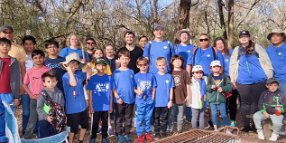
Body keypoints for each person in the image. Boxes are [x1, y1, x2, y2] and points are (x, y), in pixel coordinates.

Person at [229, 30, 273, 132]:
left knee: (255, 104)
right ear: (239, 39)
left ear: (249, 37)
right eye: (241, 36)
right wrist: (233, 79)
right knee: (244, 104)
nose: (243, 38)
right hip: (243, 82)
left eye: (246, 36)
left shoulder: (257, 47)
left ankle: (254, 126)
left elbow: (267, 61)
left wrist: (269, 77)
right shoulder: (237, 49)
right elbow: (232, 64)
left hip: (259, 80)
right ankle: (246, 126)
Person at [61, 53, 89, 143]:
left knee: (84, 125)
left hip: (82, 105)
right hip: (72, 108)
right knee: (73, 128)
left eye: (76, 64)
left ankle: (80, 140)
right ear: (67, 65)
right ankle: (70, 141)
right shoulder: (65, 76)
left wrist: (87, 65)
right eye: (71, 64)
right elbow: (73, 83)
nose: (74, 66)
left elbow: (89, 71)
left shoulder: (80, 74)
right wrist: (69, 70)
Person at [22, 49, 50, 139]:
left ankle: (44, 136)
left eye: (40, 57)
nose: (38, 60)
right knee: (32, 119)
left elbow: (52, 84)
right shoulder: (29, 71)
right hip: (34, 99)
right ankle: (26, 137)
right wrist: (30, 94)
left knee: (45, 117)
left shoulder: (48, 70)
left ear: (44, 58)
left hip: (46, 100)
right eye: (36, 58)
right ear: (33, 59)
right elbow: (24, 84)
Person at [214, 37, 239, 127]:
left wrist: (234, 80)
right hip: (221, 80)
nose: (220, 45)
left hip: (232, 79)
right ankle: (224, 120)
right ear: (215, 46)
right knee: (222, 101)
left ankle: (232, 121)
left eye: (221, 43)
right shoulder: (215, 54)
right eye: (217, 44)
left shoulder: (231, 52)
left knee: (232, 101)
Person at [0, 38, 21, 143]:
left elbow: (17, 80)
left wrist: (17, 96)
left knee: (9, 117)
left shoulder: (14, 61)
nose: (5, 46)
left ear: (10, 47)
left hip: (9, 94)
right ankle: (1, 138)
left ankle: (11, 138)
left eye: (7, 45)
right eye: (2, 44)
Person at [87, 58, 113, 143]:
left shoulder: (109, 78)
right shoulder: (93, 78)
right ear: (95, 66)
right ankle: (93, 137)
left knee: (105, 122)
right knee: (94, 123)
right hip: (96, 105)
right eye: (98, 65)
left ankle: (104, 137)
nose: (101, 67)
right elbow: (90, 93)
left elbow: (110, 93)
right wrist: (90, 105)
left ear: (106, 66)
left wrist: (111, 105)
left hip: (106, 106)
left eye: (103, 65)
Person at [112, 49, 135, 143]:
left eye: (126, 59)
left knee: (128, 118)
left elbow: (133, 86)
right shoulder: (115, 72)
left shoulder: (131, 72)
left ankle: (126, 133)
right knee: (118, 118)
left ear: (129, 60)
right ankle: (119, 134)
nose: (124, 61)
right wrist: (117, 97)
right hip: (119, 100)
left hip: (130, 99)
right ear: (119, 60)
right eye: (122, 59)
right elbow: (113, 87)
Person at [134, 57, 156, 143]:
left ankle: (147, 133)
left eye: (145, 64)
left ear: (148, 65)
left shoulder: (151, 75)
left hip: (149, 100)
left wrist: (153, 98)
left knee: (148, 117)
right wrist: (137, 91)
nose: (143, 66)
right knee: (140, 117)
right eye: (140, 65)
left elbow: (154, 87)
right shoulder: (136, 76)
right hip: (140, 101)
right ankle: (140, 134)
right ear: (137, 66)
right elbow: (133, 87)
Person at [36, 70, 65, 138]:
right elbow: (39, 108)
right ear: (44, 83)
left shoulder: (59, 93)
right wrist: (46, 117)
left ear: (56, 82)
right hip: (44, 119)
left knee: (55, 137)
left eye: (53, 81)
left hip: (57, 120)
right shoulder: (42, 94)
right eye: (48, 81)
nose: (51, 83)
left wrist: (60, 119)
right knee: (45, 137)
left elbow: (62, 106)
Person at [206, 60, 232, 131]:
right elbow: (207, 87)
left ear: (220, 68)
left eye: (218, 66)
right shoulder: (209, 78)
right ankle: (215, 128)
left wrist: (223, 88)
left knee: (224, 114)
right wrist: (211, 87)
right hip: (212, 100)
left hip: (222, 99)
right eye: (214, 67)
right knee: (214, 114)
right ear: (211, 68)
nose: (216, 68)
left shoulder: (224, 77)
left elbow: (230, 86)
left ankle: (226, 128)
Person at [153, 57, 175, 139]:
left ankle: (163, 132)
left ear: (166, 65)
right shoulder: (154, 76)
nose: (162, 67)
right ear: (156, 66)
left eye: (163, 65)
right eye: (159, 65)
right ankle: (156, 133)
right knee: (156, 118)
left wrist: (170, 100)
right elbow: (152, 90)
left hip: (166, 102)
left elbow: (171, 89)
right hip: (156, 103)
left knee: (164, 118)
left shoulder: (169, 76)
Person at [168, 55, 190, 133]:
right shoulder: (170, 73)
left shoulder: (184, 72)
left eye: (179, 60)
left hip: (182, 97)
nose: (177, 62)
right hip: (172, 98)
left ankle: (179, 129)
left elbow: (187, 84)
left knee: (180, 115)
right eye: (175, 60)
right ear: (172, 62)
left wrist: (188, 95)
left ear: (182, 62)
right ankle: (169, 129)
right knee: (171, 114)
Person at [21, 35, 37, 133]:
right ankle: (25, 129)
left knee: (37, 110)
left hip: (37, 89)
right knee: (26, 112)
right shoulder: (21, 58)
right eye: (26, 44)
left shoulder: (38, 57)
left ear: (34, 45)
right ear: (23, 45)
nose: (28, 46)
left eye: (30, 44)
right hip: (25, 89)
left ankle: (35, 129)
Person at [266, 29, 286, 94]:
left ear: (282, 37)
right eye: (273, 36)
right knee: (273, 102)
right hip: (271, 81)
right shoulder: (268, 50)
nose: (275, 38)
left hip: (284, 81)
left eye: (277, 35)